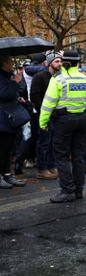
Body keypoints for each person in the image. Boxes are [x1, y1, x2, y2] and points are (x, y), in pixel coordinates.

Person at [39, 51, 86, 202]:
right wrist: (83, 115)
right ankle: (78, 190)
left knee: (61, 156)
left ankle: (67, 190)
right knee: (78, 156)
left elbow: (48, 103)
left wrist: (43, 122)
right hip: (81, 119)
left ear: (65, 62)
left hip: (63, 121)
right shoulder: (85, 79)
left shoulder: (58, 79)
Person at [30, 52, 62, 180]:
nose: (59, 64)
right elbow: (34, 96)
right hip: (44, 114)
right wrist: (44, 111)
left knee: (53, 142)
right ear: (49, 63)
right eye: (56, 61)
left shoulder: (60, 77)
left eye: (60, 61)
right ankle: (42, 169)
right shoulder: (39, 77)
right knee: (44, 142)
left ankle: (51, 165)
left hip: (56, 115)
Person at [0, 55, 28, 189]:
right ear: (3, 64)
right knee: (2, 148)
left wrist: (18, 97)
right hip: (2, 118)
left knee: (8, 149)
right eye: (9, 61)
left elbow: (12, 93)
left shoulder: (7, 76)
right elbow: (4, 93)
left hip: (10, 118)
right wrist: (15, 83)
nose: (11, 64)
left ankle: (7, 174)